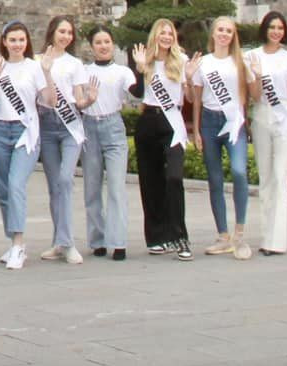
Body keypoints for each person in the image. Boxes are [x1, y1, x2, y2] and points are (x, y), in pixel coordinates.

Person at [189, 16, 253, 261]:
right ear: (213, 34)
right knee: (215, 179)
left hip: (233, 122)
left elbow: (250, 95)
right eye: (220, 29)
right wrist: (196, 130)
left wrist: (255, 75)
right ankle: (223, 235)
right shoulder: (202, 63)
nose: (224, 34)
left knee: (239, 171)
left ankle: (239, 231)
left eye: (229, 30)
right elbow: (195, 99)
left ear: (233, 35)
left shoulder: (241, 61)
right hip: (209, 121)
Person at [131, 18, 192, 261]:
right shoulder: (144, 60)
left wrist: (189, 77)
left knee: (174, 178)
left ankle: (180, 237)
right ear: (155, 36)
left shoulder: (182, 61)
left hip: (172, 124)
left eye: (170, 33)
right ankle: (157, 237)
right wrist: (138, 68)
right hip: (148, 121)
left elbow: (187, 96)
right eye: (162, 33)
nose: (166, 36)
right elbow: (136, 92)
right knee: (150, 181)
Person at [0, 20, 44, 268]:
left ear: (26, 42)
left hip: (25, 131)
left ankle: (19, 244)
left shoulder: (35, 67)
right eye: (13, 40)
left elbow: (49, 100)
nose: (17, 44)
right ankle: (13, 243)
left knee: (15, 184)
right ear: (4, 41)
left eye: (21, 39)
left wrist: (49, 73)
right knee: (3, 191)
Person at [246, 12, 287, 256]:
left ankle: (277, 240)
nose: (276, 31)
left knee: (281, 176)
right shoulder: (252, 56)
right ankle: (266, 235)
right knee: (266, 177)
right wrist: (258, 75)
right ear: (265, 29)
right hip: (262, 115)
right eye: (272, 27)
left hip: (285, 117)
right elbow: (255, 95)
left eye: (280, 27)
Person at [37, 15, 94, 266]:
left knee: (65, 179)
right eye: (62, 31)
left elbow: (78, 99)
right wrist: (46, 72)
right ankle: (59, 241)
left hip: (70, 125)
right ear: (52, 32)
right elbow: (45, 99)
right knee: (53, 186)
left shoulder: (75, 64)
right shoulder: (36, 61)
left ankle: (68, 243)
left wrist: (88, 101)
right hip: (47, 123)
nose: (66, 36)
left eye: (69, 33)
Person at [79, 27, 135, 261]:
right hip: (90, 125)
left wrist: (141, 70)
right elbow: (77, 102)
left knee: (116, 186)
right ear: (91, 47)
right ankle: (97, 240)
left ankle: (118, 241)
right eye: (98, 42)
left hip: (113, 126)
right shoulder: (83, 72)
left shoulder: (123, 72)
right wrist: (87, 99)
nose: (103, 46)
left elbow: (137, 93)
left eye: (107, 41)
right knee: (92, 187)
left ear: (113, 45)